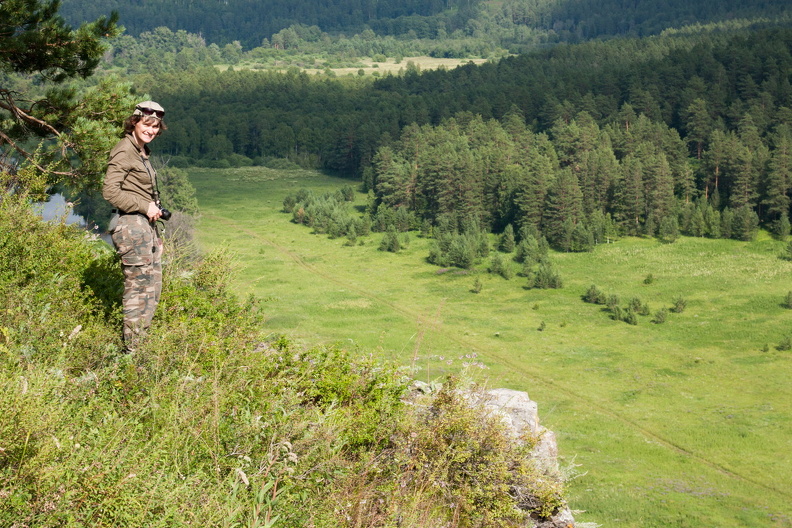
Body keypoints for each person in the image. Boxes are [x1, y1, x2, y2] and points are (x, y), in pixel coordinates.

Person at [102, 101, 168, 353]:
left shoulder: (141, 151)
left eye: (155, 127)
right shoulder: (124, 150)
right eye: (146, 124)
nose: (151, 130)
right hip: (131, 225)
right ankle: (132, 352)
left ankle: (140, 345)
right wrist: (143, 206)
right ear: (135, 122)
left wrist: (156, 232)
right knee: (139, 290)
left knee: (152, 288)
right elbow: (110, 191)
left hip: (145, 228)